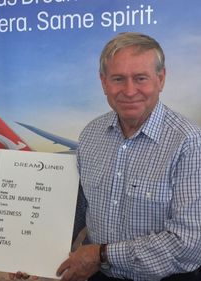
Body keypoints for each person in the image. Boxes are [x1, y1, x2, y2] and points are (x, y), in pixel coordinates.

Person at [54, 32, 201, 281]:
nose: (129, 90)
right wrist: (37, 254)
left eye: (140, 78)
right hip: (95, 275)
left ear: (161, 79)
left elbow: (188, 244)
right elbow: (77, 209)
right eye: (118, 79)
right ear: (103, 83)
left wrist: (101, 254)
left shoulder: (188, 143)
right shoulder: (91, 134)